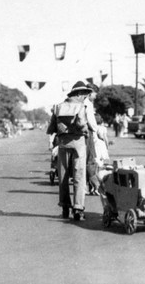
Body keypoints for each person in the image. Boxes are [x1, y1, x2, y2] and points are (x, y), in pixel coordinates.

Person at [47, 81, 92, 220]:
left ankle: (65, 207)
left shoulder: (57, 107)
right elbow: (81, 124)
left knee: (63, 177)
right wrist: (86, 131)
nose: (85, 97)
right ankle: (78, 209)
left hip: (62, 144)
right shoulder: (80, 106)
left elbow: (51, 129)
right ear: (78, 94)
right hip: (78, 143)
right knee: (79, 176)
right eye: (84, 95)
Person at [85, 83, 100, 195]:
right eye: (95, 94)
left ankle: (86, 186)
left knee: (84, 160)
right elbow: (91, 120)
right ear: (90, 93)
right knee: (91, 160)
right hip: (88, 132)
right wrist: (96, 130)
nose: (95, 96)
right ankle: (96, 186)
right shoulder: (88, 103)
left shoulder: (81, 102)